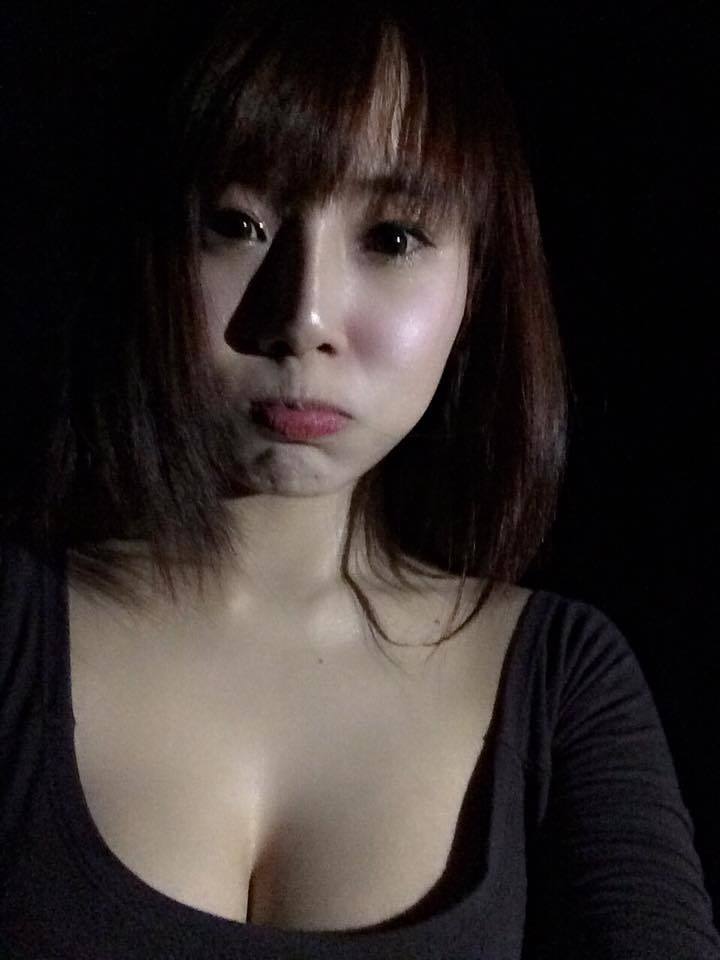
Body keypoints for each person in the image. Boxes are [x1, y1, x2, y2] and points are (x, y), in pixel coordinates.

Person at [1, 1, 718, 957]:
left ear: (477, 282)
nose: (304, 316)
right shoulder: (15, 634)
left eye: (392, 238)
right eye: (238, 224)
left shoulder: (559, 683)